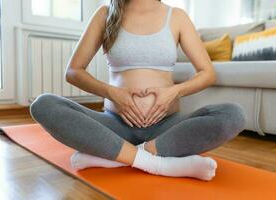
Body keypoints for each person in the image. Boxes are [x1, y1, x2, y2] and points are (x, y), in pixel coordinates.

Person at [29, 0, 247, 181]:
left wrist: (175, 91)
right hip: (115, 126)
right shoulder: (106, 13)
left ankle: (115, 156)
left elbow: (207, 73)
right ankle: (158, 164)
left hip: (166, 128)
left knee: (233, 115)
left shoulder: (177, 16)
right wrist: (111, 92)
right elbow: (74, 71)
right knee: (44, 105)